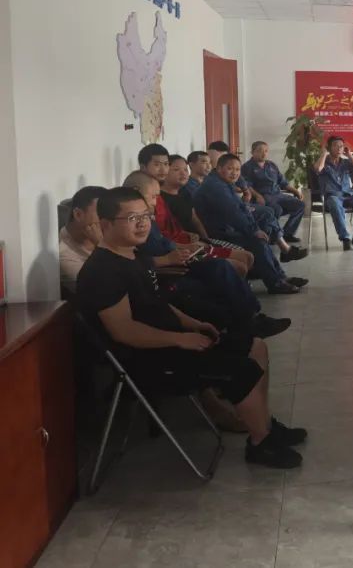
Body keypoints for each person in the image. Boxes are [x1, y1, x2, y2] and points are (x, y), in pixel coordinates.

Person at [75, 187, 307, 469]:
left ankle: (265, 425)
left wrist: (192, 324)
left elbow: (157, 303)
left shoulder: (132, 256)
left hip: (170, 343)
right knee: (241, 368)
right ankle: (261, 443)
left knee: (256, 346)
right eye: (132, 218)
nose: (143, 223)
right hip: (148, 360)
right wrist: (180, 338)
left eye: (145, 216)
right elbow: (124, 331)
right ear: (106, 224)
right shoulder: (102, 272)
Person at [123, 171, 292, 337]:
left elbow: (164, 243)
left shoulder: (145, 217)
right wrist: (166, 259)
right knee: (221, 267)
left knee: (226, 264)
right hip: (168, 270)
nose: (155, 202)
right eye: (153, 196)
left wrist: (185, 247)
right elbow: (132, 261)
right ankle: (248, 321)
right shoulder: (128, 224)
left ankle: (251, 317)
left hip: (180, 257)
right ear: (136, 192)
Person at [193, 154, 305, 294]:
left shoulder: (223, 183)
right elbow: (233, 213)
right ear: (219, 168)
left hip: (227, 228)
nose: (235, 173)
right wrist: (253, 230)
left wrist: (255, 228)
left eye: (237, 169)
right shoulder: (216, 187)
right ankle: (275, 283)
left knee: (262, 233)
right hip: (217, 234)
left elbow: (241, 208)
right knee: (257, 241)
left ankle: (280, 277)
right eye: (230, 169)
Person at [314, 136, 353, 250]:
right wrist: (324, 153)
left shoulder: (345, 162)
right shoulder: (323, 162)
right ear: (329, 147)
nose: (339, 148)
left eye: (341, 146)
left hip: (348, 195)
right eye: (336, 146)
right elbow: (317, 169)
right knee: (334, 202)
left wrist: (349, 155)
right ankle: (345, 238)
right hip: (332, 197)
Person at [242, 142, 305, 243]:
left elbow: (283, 182)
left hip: (278, 194)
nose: (264, 153)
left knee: (300, 205)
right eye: (260, 151)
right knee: (277, 209)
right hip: (263, 196)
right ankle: (271, 235)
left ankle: (287, 234)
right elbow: (246, 185)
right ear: (252, 152)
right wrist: (257, 196)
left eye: (266, 151)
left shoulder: (271, 165)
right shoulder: (247, 167)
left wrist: (295, 190)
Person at [59, 185, 108, 293]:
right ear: (78, 214)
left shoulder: (110, 233)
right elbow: (102, 291)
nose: (108, 220)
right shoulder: (64, 254)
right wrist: (101, 245)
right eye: (101, 214)